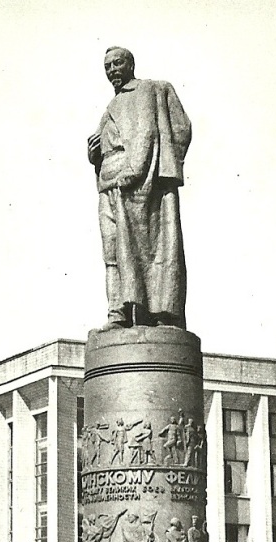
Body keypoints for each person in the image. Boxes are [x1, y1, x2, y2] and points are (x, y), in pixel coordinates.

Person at [87, 47, 192, 330]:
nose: (112, 70)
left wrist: (134, 171)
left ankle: (151, 312)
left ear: (130, 65)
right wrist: (93, 152)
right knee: (112, 255)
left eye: (117, 63)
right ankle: (117, 313)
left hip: (134, 183)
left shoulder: (145, 92)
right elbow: (101, 145)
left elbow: (147, 132)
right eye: (107, 66)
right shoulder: (112, 105)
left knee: (142, 251)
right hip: (108, 183)